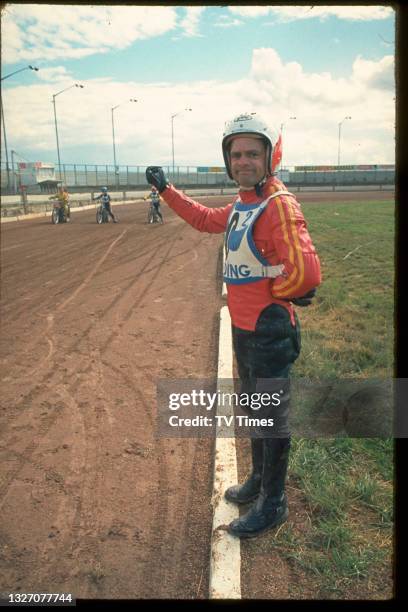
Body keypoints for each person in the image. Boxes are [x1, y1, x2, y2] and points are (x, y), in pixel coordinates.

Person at [146, 112, 321, 539]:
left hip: (268, 330)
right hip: (245, 328)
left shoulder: (278, 204)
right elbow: (206, 219)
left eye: (252, 153)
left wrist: (285, 292)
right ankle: (260, 482)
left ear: (269, 156)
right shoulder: (246, 203)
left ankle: (274, 504)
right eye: (236, 154)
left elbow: (307, 274)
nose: (243, 161)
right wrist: (167, 190)